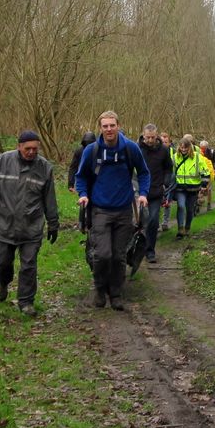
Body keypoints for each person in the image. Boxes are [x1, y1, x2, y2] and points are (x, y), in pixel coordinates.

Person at [0, 130, 59, 317]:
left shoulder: (45, 168)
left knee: (29, 265)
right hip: (3, 225)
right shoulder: (1, 162)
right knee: (3, 263)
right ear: (19, 146)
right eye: (27, 148)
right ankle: (3, 283)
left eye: (35, 149)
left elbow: (50, 199)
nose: (31, 152)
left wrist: (53, 223)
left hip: (32, 227)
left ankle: (26, 302)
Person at [75, 110, 150, 310]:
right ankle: (100, 290)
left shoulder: (131, 149)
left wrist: (143, 193)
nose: (109, 129)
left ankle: (115, 294)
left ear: (118, 125)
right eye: (105, 126)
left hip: (124, 210)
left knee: (119, 256)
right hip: (99, 210)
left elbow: (143, 172)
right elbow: (80, 176)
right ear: (100, 128)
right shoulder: (91, 150)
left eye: (112, 125)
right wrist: (82, 194)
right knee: (102, 255)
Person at [138, 124, 174, 263]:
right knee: (139, 221)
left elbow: (169, 168)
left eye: (153, 137)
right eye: (148, 137)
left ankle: (150, 251)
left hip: (156, 191)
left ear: (156, 136)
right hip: (139, 191)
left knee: (153, 221)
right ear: (143, 135)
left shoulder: (163, 150)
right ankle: (135, 249)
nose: (150, 140)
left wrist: (165, 182)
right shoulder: (137, 149)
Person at [171, 136, 209, 239]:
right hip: (180, 188)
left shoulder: (197, 157)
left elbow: (205, 170)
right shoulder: (175, 157)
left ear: (190, 148)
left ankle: (187, 227)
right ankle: (180, 229)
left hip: (193, 188)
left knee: (190, 209)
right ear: (179, 147)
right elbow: (171, 172)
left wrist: (204, 185)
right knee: (181, 206)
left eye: (186, 148)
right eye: (182, 147)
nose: (183, 150)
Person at [160, 132, 174, 231]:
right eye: (162, 141)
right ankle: (156, 223)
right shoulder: (156, 151)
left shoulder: (173, 152)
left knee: (167, 202)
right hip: (159, 178)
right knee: (157, 202)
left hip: (171, 178)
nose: (164, 143)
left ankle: (165, 222)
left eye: (166, 142)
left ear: (169, 142)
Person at [198, 140, 215, 211]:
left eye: (204, 148)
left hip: (210, 173)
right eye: (201, 148)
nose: (203, 149)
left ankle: (209, 204)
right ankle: (198, 205)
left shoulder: (211, 152)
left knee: (208, 190)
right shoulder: (197, 154)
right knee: (200, 190)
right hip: (200, 175)